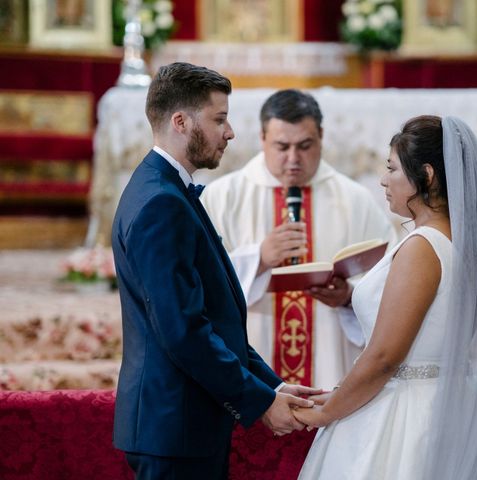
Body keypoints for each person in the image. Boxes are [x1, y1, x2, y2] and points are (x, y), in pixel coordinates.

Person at [293, 115, 477, 479]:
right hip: (453, 401)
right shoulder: (463, 241)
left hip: (407, 415)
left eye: (392, 168)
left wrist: (328, 413)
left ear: (425, 175)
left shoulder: (422, 247)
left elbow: (384, 357)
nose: (383, 179)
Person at [111, 62, 319, 480]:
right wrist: (258, 402)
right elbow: (183, 331)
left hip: (182, 422)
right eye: (219, 118)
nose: (230, 132)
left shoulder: (163, 188)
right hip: (175, 425)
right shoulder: (161, 203)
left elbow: (213, 317)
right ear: (181, 121)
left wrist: (272, 386)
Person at [200, 89, 397, 390]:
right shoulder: (223, 196)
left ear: (321, 135)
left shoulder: (355, 200)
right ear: (262, 138)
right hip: (252, 365)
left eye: (305, 146)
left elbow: (392, 278)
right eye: (282, 146)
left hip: (332, 368)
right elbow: (199, 279)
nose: (293, 159)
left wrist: (349, 296)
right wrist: (259, 258)